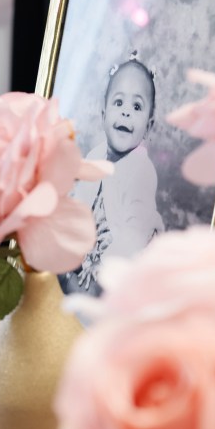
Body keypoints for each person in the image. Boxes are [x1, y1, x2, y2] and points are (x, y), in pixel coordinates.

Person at [61, 52, 164, 295]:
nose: (126, 112)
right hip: (93, 247)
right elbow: (80, 202)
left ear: (148, 126)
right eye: (118, 103)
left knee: (95, 291)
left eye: (136, 106)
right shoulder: (96, 155)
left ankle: (88, 295)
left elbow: (133, 238)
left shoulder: (142, 171)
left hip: (123, 257)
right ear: (104, 114)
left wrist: (102, 269)